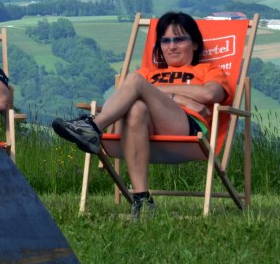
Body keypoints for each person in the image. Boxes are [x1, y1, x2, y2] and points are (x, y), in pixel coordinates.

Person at [51, 11, 232, 219]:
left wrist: (152, 90)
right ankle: (142, 199)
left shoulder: (207, 70)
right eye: (165, 41)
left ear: (195, 44)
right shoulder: (148, 73)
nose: (171, 46)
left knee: (135, 83)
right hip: (138, 131)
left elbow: (209, 94)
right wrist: (179, 97)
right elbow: (122, 98)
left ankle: (92, 127)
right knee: (136, 108)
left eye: (179, 39)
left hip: (186, 132)